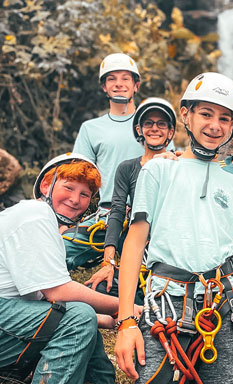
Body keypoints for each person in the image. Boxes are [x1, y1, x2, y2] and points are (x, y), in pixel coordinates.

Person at [114, 72, 233, 384]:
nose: (215, 125)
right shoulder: (158, 170)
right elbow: (134, 243)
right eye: (206, 113)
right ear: (186, 114)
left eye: (225, 118)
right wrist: (126, 322)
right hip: (167, 303)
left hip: (225, 306)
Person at [0, 153, 139, 383]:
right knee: (79, 317)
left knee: (83, 321)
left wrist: (113, 320)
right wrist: (124, 307)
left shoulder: (45, 225)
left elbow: (50, 307)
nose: (75, 199)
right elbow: (59, 293)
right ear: (46, 185)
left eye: (84, 194)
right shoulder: (34, 216)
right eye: (68, 188)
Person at [84, 97, 177, 302]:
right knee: (100, 289)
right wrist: (108, 263)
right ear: (139, 130)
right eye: (148, 123)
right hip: (138, 251)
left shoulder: (179, 166)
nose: (154, 128)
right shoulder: (127, 168)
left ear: (170, 132)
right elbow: (117, 211)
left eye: (161, 124)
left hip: (171, 254)